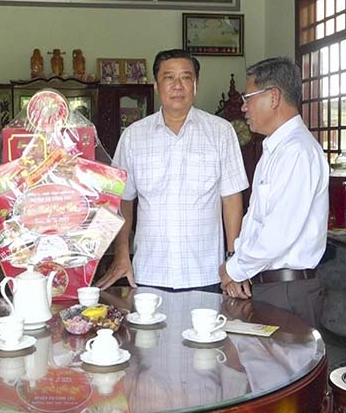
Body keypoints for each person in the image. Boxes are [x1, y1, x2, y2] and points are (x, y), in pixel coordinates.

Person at [96, 49, 249, 292]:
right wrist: (122, 254)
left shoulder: (221, 132)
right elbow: (122, 200)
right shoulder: (133, 136)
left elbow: (231, 199)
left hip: (207, 272)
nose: (178, 85)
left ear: (195, 85)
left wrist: (233, 259)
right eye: (169, 78)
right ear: (157, 85)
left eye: (186, 78)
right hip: (149, 271)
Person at [217, 57, 329, 328]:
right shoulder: (274, 149)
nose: (243, 107)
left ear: (274, 96)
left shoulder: (297, 152)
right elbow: (256, 220)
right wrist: (240, 265)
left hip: (288, 291)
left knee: (288, 369)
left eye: (248, 98)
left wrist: (232, 269)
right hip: (268, 285)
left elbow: (277, 233)